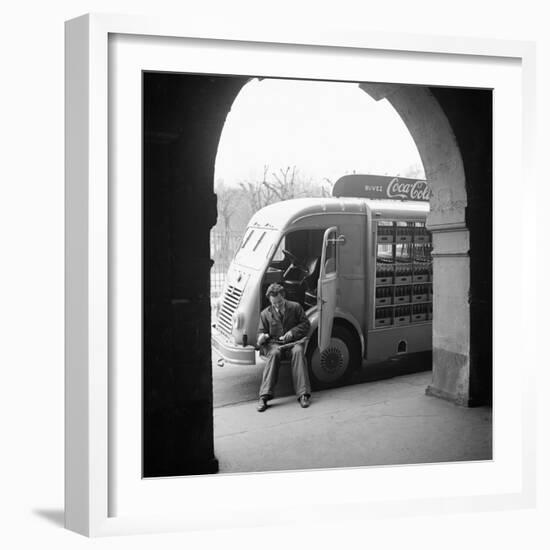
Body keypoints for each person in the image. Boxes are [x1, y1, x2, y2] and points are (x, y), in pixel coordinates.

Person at [256, 283, 312, 412]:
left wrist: (293, 332)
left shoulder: (296, 307)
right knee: (274, 353)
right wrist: (262, 337)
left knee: (298, 351)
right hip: (274, 345)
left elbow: (305, 324)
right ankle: (264, 396)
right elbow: (260, 333)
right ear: (270, 301)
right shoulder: (265, 314)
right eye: (274, 303)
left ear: (284, 297)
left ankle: (303, 395)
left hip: (293, 343)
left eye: (280, 302)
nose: (277, 306)